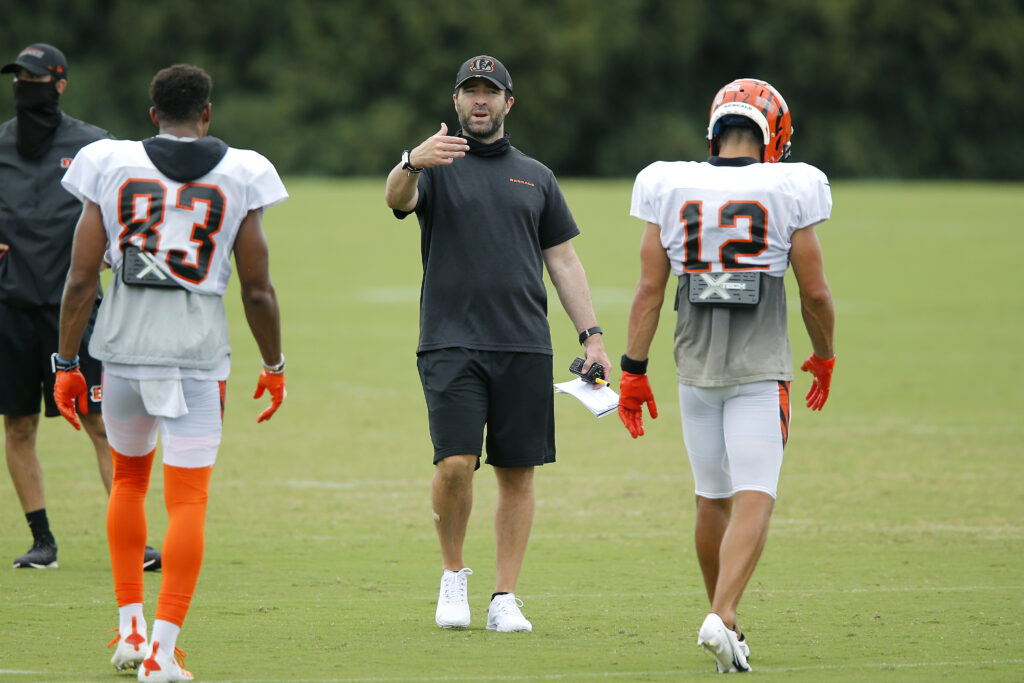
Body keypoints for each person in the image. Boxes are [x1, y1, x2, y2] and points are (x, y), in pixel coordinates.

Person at [54, 64, 288, 681]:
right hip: (197, 354)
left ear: (152, 113)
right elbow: (258, 290)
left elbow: (80, 279)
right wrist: (274, 364)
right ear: (207, 113)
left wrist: (66, 363)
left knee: (128, 483)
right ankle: (161, 652)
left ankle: (130, 630)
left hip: (122, 348)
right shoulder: (243, 170)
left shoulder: (108, 162)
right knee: (188, 501)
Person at [385, 55, 611, 633]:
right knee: (456, 462)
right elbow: (396, 199)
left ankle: (504, 596)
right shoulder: (434, 166)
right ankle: (453, 576)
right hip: (450, 342)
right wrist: (412, 160)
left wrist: (592, 338)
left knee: (518, 472)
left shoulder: (536, 176)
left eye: (490, 92)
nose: (479, 101)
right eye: (470, 92)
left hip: (524, 344)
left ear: (509, 103)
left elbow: (562, 259)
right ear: (456, 102)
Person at [619, 78, 836, 673]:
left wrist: (632, 373)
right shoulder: (791, 185)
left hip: (694, 366)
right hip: (759, 365)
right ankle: (721, 614)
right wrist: (825, 354)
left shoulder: (668, 182)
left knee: (710, 499)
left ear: (715, 128)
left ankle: (727, 620)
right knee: (756, 495)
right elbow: (814, 293)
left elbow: (647, 291)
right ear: (776, 137)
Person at [0, 42, 159, 571]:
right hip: (11, 305)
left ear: (60, 83)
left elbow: (135, 202)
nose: (25, 86)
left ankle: (133, 539)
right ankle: (41, 541)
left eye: (36, 78)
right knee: (18, 425)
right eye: (18, 78)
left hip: (76, 307)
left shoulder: (95, 146)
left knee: (99, 422)